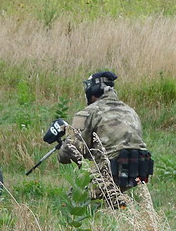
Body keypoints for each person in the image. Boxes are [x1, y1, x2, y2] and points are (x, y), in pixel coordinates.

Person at [57, 71, 153, 203]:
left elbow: (71, 151)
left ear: (93, 90)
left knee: (75, 200)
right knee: (114, 198)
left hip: (112, 169)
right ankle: (118, 201)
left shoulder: (87, 113)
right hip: (140, 169)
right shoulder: (131, 111)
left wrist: (61, 149)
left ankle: (111, 202)